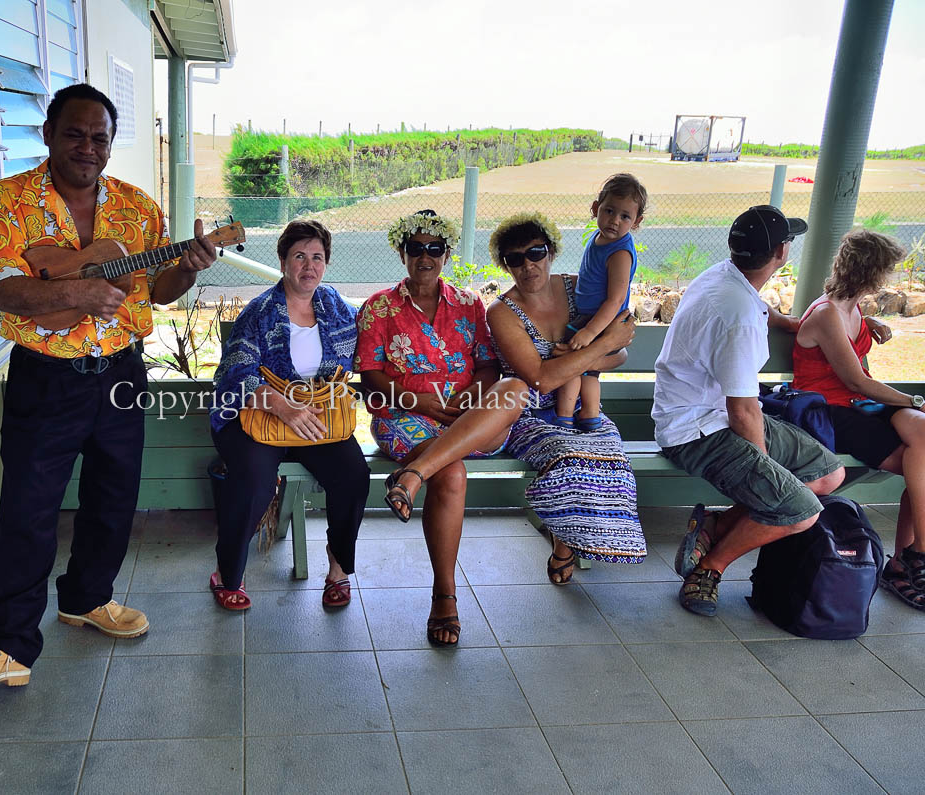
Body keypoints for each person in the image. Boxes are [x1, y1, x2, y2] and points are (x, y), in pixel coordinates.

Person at [0, 84, 218, 688]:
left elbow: (160, 292)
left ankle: (87, 599)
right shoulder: (8, 201)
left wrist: (187, 268)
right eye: (75, 133)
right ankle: (10, 646)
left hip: (121, 370)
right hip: (47, 376)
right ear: (47, 133)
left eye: (100, 137)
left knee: (113, 496)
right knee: (28, 507)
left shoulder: (138, 208)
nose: (87, 147)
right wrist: (74, 292)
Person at [382, 212, 646, 615]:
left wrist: (591, 354)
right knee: (565, 451)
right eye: (515, 259)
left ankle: (567, 538)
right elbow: (539, 378)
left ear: (551, 252)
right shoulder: (502, 312)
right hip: (527, 411)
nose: (528, 265)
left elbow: (623, 348)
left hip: (581, 408)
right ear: (505, 265)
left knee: (606, 452)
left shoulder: (580, 289)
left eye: (535, 253)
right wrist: (592, 351)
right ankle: (559, 539)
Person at [654, 205, 845, 618]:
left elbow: (756, 308)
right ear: (780, 252)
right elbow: (742, 412)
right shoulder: (737, 315)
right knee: (801, 511)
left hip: (721, 416)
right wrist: (764, 472)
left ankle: (718, 526)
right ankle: (709, 568)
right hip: (698, 432)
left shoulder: (725, 277)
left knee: (829, 473)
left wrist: (787, 322)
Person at [355, 209, 501, 646]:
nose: (425, 256)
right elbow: (371, 379)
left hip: (468, 417)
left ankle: (414, 476)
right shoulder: (379, 307)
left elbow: (489, 365)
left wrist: (469, 399)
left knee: (508, 395)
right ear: (402, 253)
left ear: (447, 253)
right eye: (415, 248)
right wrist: (425, 404)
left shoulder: (469, 303)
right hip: (405, 417)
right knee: (452, 472)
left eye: (434, 248)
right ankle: (445, 595)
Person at [209, 219, 369, 611]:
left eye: (317, 257)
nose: (308, 266)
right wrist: (280, 404)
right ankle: (227, 573)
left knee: (354, 475)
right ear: (282, 261)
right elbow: (233, 376)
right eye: (299, 256)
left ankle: (337, 569)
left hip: (316, 416)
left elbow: (372, 340)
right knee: (254, 485)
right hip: (260, 416)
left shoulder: (335, 307)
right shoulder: (260, 313)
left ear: (326, 264)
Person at [791, 229, 925, 608]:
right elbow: (857, 381)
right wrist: (915, 399)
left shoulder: (850, 307)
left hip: (856, 405)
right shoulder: (829, 312)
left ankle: (910, 559)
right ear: (872, 274)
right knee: (922, 464)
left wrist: (872, 324)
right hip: (830, 411)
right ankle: (908, 561)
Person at [555, 174, 647, 431]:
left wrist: (590, 331)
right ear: (596, 208)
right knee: (587, 371)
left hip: (599, 321)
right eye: (609, 211)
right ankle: (588, 415)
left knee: (573, 366)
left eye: (625, 216)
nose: (615, 221)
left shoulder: (619, 252)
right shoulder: (601, 239)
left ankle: (565, 417)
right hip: (591, 316)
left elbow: (616, 298)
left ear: (637, 221)